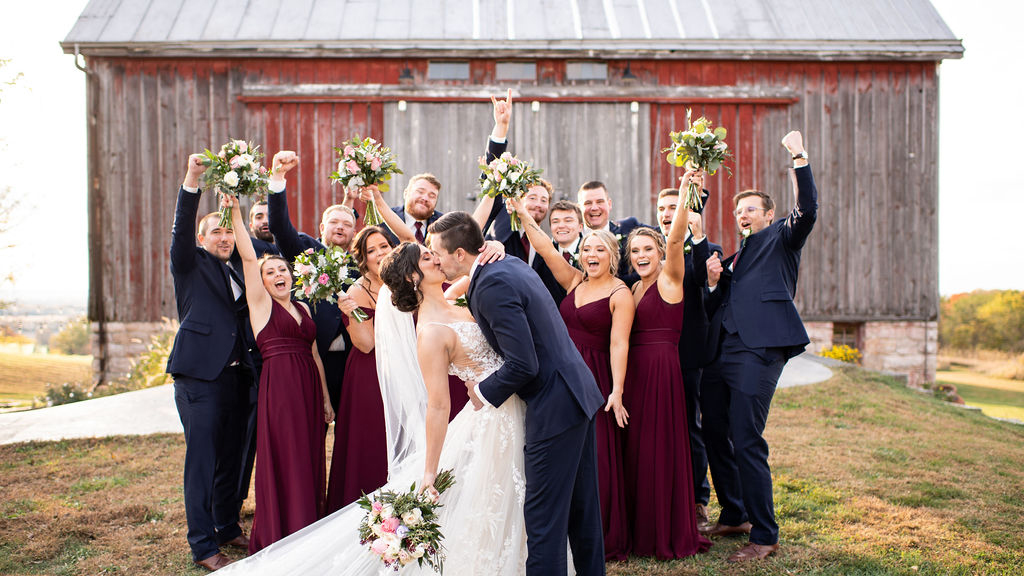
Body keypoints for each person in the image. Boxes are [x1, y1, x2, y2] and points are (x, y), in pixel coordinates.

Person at [214, 241, 538, 575]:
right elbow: (429, 398)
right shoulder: (428, 328)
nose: (437, 258)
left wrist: (493, 244)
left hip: (502, 408)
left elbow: (471, 266)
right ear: (412, 276)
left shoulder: (452, 299)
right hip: (484, 411)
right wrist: (429, 470)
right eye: (427, 257)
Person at [429, 211, 606, 576]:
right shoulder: (503, 262)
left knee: (543, 519)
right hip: (576, 392)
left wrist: (481, 391)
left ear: (460, 254)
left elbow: (524, 364)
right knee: (581, 509)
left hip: (555, 403)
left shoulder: (492, 283)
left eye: (438, 253)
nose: (436, 259)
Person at [694, 131, 818, 563]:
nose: (743, 214)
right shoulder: (732, 257)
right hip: (721, 353)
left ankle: (764, 534)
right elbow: (715, 304)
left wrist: (799, 158)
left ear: (768, 214)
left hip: (759, 350)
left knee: (746, 438)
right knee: (713, 431)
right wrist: (713, 281)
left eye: (751, 209)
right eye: (739, 210)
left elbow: (807, 211)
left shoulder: (783, 238)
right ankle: (734, 512)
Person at [513, 196, 633, 561]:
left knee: (592, 462)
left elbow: (619, 344)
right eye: (586, 249)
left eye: (599, 249)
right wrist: (521, 212)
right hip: (560, 374)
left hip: (594, 379)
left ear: (612, 255)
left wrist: (616, 391)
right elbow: (548, 250)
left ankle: (601, 537)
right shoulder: (574, 281)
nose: (590, 254)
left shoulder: (620, 293)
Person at [221, 194, 333, 555]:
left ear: (291, 275)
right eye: (270, 273)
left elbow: (314, 353)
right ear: (262, 282)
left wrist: (327, 399)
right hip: (281, 388)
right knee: (287, 454)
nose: (277, 275)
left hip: (310, 388)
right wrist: (236, 215)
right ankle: (283, 530)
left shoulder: (302, 305)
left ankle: (308, 525)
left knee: (310, 453)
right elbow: (251, 258)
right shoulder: (261, 305)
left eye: (282, 270)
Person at [166, 154, 253, 571]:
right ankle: (202, 545)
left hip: (238, 379)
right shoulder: (190, 263)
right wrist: (193, 180)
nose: (223, 237)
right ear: (202, 239)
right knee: (202, 461)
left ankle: (225, 524)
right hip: (198, 377)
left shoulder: (239, 270)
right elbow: (181, 228)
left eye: (227, 232)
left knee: (232, 458)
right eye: (215, 232)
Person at [621, 169, 712, 560]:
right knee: (636, 451)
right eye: (636, 251)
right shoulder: (633, 286)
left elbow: (676, 238)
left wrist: (688, 191)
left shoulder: (670, 279)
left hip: (661, 373)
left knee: (659, 450)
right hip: (635, 375)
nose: (642, 256)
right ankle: (639, 525)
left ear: (661, 254)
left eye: (648, 250)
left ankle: (663, 528)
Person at [266, 151, 356, 415]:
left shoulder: (362, 262)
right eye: (334, 222)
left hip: (352, 358)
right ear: (321, 226)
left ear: (354, 231)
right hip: (314, 355)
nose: (340, 227)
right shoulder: (305, 249)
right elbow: (280, 227)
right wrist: (278, 178)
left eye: (347, 224)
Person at [655, 181, 722, 528]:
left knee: (690, 429)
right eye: (663, 209)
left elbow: (698, 279)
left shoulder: (707, 249)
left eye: (673, 207)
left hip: (688, 356)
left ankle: (698, 499)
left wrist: (697, 236)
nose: (668, 214)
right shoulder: (647, 247)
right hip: (651, 354)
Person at [325, 224, 399, 512]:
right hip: (371, 375)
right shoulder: (357, 290)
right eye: (371, 250)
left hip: (402, 370)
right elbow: (366, 344)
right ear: (363, 259)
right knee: (373, 444)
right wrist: (352, 312)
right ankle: (369, 513)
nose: (380, 253)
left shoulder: (404, 281)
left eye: (384, 246)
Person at [475, 91, 566, 305]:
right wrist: (501, 127)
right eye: (533, 197)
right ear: (518, 199)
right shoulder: (500, 218)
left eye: (544, 200)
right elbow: (491, 174)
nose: (538, 204)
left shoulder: (547, 246)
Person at [577, 181, 652, 284]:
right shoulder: (572, 238)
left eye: (599, 202)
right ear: (579, 207)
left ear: (609, 204)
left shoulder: (629, 227)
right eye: (588, 203)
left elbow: (663, 234)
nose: (594, 208)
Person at [549, 200, 586, 266]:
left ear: (580, 227)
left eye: (568, 221)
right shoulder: (545, 255)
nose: (561, 226)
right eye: (555, 221)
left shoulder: (590, 253)